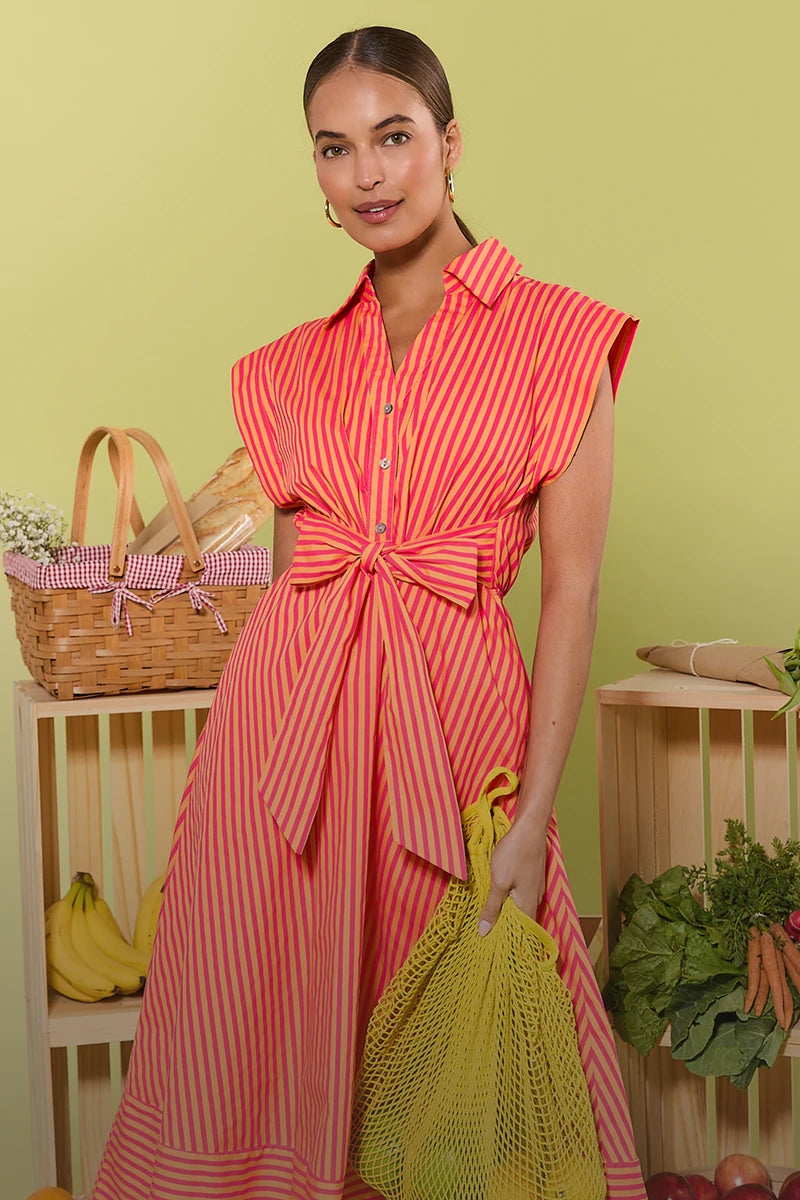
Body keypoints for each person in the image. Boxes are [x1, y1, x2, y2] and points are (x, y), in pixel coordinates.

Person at [91, 25, 646, 1200]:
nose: (369, 175)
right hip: (286, 753)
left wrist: (536, 811)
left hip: (460, 737)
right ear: (317, 174)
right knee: (269, 1030)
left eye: (393, 137)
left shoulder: (560, 339)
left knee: (464, 1057)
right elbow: (298, 583)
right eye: (334, 150)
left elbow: (573, 593)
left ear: (449, 142)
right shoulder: (288, 367)